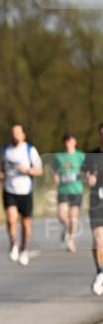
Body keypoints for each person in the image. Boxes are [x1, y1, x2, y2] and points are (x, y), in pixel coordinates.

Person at [0, 124, 43, 265]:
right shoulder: (6, 150)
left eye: (18, 132)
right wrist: (1, 175)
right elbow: (2, 168)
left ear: (23, 135)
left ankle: (24, 249)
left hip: (25, 191)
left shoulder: (30, 150)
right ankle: (14, 243)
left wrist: (28, 171)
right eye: (13, 132)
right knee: (11, 218)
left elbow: (39, 170)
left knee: (26, 224)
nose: (15, 135)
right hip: (9, 189)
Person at [52, 133, 86, 253]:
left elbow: (87, 170)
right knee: (61, 215)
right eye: (66, 141)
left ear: (74, 142)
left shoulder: (81, 156)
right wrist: (55, 176)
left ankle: (70, 240)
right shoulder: (59, 156)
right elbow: (53, 169)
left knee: (73, 217)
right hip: (63, 190)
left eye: (70, 141)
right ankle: (67, 229)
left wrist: (85, 175)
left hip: (76, 190)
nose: (68, 143)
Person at [84, 124, 103, 295]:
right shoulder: (92, 156)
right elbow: (83, 175)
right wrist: (88, 178)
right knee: (98, 239)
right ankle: (100, 272)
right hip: (97, 203)